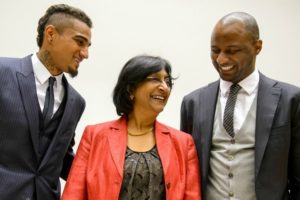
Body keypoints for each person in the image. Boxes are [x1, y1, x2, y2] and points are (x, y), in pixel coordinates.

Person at [180, 11, 300, 200]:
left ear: (257, 47)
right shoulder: (193, 103)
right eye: (215, 50)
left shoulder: (290, 99)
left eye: (232, 50)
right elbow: (186, 175)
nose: (221, 60)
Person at [62, 55, 201, 200]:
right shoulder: (94, 135)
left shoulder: (184, 143)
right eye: (155, 79)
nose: (164, 87)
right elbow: (73, 194)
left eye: (167, 81)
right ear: (131, 89)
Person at [0, 4, 92, 200]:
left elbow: (61, 158)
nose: (85, 54)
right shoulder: (2, 72)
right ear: (50, 34)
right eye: (80, 42)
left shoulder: (76, 102)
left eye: (88, 46)